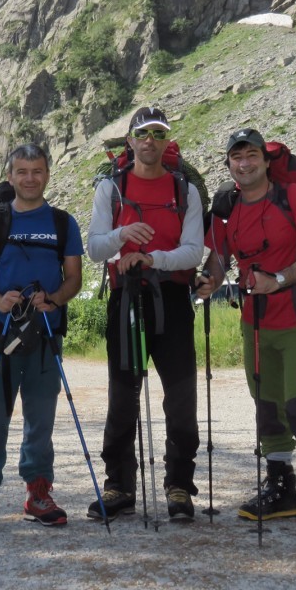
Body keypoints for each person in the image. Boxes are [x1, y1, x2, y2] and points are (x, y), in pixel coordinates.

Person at [196, 127, 296, 534]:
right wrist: (206, 282)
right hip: (255, 321)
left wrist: (278, 278)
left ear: (265, 160)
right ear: (229, 165)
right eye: (236, 157)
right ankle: (281, 490)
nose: (245, 163)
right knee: (267, 406)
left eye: (251, 155)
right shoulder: (227, 208)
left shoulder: (295, 198)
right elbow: (219, 260)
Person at [86, 106, 204, 521]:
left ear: (167, 140)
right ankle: (118, 486)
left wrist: (149, 258)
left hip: (171, 299)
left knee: (181, 397)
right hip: (126, 301)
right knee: (122, 397)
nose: (150, 140)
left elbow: (194, 251)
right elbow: (96, 247)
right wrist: (122, 236)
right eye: (143, 133)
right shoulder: (112, 188)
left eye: (159, 133)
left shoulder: (185, 190)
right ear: (130, 141)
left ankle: (178, 487)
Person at [0, 143, 84, 531]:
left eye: (37, 171)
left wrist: (53, 300)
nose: (30, 178)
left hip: (45, 334)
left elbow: (74, 280)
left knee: (41, 418)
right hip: (2, 335)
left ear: (47, 174)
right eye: (22, 171)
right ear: (9, 176)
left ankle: (38, 493)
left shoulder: (64, 223)